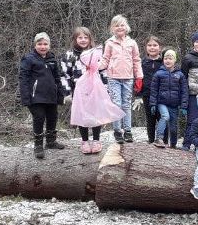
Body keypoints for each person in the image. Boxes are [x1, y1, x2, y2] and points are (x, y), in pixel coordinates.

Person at [61, 27, 118, 154]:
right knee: (82, 115)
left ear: (90, 39)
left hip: (95, 89)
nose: (83, 40)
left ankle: (96, 139)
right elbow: (65, 75)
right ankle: (85, 140)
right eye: (80, 37)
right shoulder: (69, 55)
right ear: (75, 39)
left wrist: (106, 88)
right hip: (79, 90)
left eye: (85, 37)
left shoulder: (96, 53)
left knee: (96, 113)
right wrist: (67, 92)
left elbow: (103, 71)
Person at [19, 32, 66, 159]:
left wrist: (60, 95)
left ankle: (50, 142)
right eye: (39, 44)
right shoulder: (29, 59)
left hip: (51, 96)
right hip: (35, 97)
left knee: (52, 117)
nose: (43, 47)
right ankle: (38, 145)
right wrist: (25, 98)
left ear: (49, 45)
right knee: (39, 118)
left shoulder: (52, 59)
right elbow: (23, 79)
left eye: (45, 44)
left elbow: (57, 78)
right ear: (35, 45)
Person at [101, 15, 143, 143]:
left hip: (128, 78)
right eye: (117, 25)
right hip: (113, 78)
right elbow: (105, 59)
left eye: (122, 25)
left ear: (127, 27)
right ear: (112, 28)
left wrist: (139, 76)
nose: (120, 27)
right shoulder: (109, 43)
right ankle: (117, 131)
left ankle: (128, 130)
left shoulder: (132, 43)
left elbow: (136, 60)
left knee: (126, 105)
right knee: (116, 104)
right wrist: (95, 67)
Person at [150, 49, 188, 148]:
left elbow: (184, 91)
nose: (167, 60)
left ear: (174, 60)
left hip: (174, 104)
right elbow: (153, 90)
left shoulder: (180, 75)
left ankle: (173, 145)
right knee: (165, 116)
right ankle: (159, 138)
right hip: (162, 102)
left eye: (170, 58)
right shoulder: (159, 74)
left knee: (173, 126)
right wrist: (153, 104)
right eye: (166, 58)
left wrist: (184, 106)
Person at [139, 36, 165, 144]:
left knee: (163, 117)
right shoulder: (142, 62)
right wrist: (138, 94)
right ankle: (151, 140)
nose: (152, 48)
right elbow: (138, 79)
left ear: (160, 48)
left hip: (162, 95)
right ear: (145, 47)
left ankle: (163, 140)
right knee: (150, 118)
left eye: (155, 45)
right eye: (149, 45)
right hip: (147, 94)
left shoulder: (164, 62)